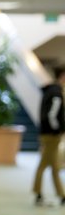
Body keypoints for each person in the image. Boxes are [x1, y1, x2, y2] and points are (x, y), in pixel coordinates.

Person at [33, 65, 65, 206]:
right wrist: (57, 129)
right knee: (46, 164)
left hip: (47, 133)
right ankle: (38, 192)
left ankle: (61, 194)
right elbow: (52, 114)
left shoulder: (49, 91)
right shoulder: (56, 93)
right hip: (51, 135)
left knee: (53, 165)